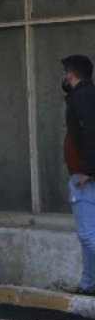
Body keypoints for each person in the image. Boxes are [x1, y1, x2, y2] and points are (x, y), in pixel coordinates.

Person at [60, 54, 95, 296]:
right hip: (85, 172)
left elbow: (91, 132)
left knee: (87, 234)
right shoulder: (86, 95)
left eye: (65, 73)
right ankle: (88, 284)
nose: (63, 77)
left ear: (71, 74)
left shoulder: (82, 97)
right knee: (90, 233)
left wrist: (88, 170)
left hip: (84, 176)